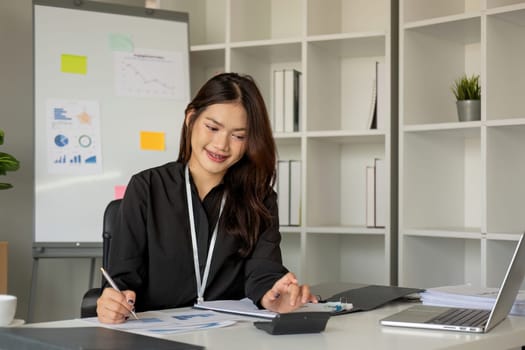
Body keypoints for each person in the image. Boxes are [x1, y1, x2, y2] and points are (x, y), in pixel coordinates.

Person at [96, 72, 317, 324]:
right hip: (155, 335)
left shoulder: (260, 198)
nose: (222, 145)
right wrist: (112, 301)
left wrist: (273, 295)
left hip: (229, 336)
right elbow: (121, 280)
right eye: (212, 128)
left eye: (239, 136)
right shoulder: (146, 187)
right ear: (191, 118)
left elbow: (262, 273)